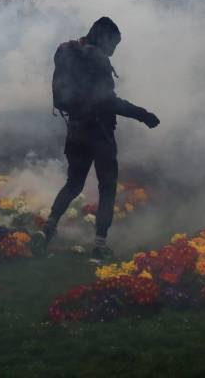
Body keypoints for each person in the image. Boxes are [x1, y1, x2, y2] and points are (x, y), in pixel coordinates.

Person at [37, 17, 160, 260]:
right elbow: (108, 101)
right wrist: (143, 115)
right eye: (113, 43)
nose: (114, 50)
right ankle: (100, 245)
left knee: (73, 184)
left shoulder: (69, 54)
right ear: (104, 38)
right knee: (107, 187)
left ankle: (48, 227)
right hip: (100, 133)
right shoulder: (98, 60)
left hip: (75, 130)